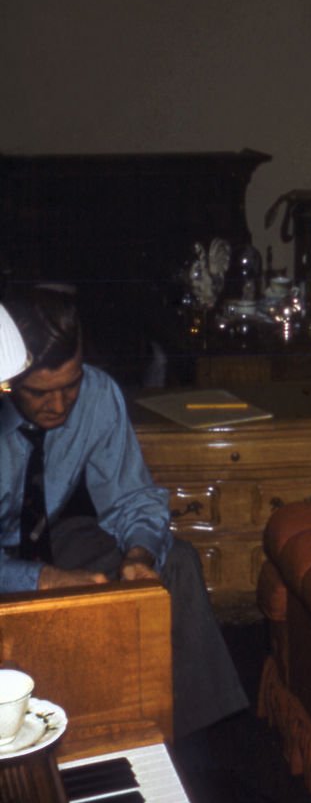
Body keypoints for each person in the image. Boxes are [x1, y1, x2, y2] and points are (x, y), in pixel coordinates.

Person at [0, 285, 247, 738]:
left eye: (69, 385)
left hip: (51, 533)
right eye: (39, 393)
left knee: (176, 562)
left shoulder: (97, 394)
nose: (58, 405)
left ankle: (187, 742)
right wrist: (42, 580)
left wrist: (139, 555)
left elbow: (132, 498)